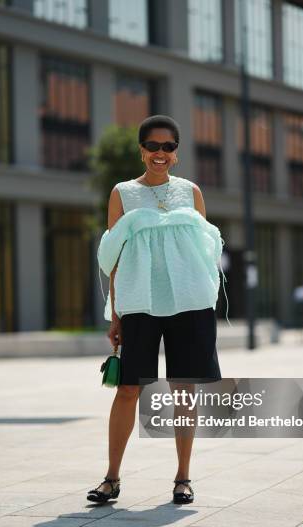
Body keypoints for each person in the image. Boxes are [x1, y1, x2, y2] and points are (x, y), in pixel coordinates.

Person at [87, 115, 227, 506]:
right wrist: (115, 313)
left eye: (168, 147)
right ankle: (111, 478)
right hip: (139, 302)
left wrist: (208, 293)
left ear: (176, 153)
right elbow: (112, 256)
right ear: (142, 150)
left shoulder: (191, 192)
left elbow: (207, 247)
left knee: (184, 388)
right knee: (128, 388)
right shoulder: (122, 193)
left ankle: (183, 478)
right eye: (153, 146)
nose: (160, 153)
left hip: (189, 303)